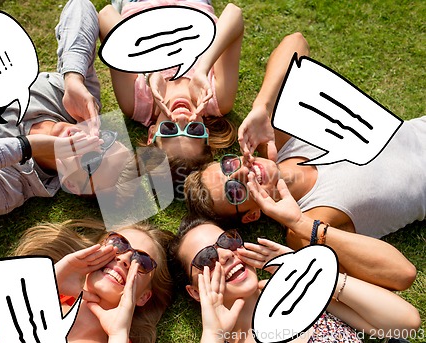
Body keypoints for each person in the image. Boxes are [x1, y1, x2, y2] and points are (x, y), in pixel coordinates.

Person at [183, 31, 424, 290]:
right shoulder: (305, 228)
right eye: (235, 191)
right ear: (252, 215)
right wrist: (300, 222)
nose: (243, 172)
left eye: (228, 165)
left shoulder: (280, 138)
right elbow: (400, 274)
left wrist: (262, 106)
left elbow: (296, 42)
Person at [0, 3, 138, 239]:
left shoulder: (7, 188)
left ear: (73, 185)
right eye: (104, 139)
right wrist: (74, 79)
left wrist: (27, 146)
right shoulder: (72, 104)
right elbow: (80, 7)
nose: (87, 137)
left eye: (91, 159)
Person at [169, 191, 421, 343]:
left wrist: (310, 271)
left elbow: (406, 322)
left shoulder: (297, 289)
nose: (225, 254)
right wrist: (213, 335)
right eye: (206, 258)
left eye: (227, 240)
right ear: (194, 291)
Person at [0, 219, 174, 343]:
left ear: (144, 296)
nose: (125, 259)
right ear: (96, 250)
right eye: (119, 244)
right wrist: (46, 280)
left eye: (143, 262)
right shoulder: (37, 296)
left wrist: (119, 335)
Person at [66, 1, 243, 166]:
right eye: (194, 130)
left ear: (152, 133)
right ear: (206, 132)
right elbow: (233, 14)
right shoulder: (216, 99)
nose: (181, 119)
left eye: (169, 129)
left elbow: (106, 16)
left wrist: (151, 69)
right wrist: (203, 69)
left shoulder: (137, 104)